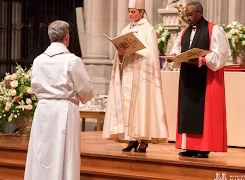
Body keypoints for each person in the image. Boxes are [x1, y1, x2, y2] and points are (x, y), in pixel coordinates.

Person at [24, 20, 93, 180]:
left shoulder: (38, 60)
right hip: (64, 110)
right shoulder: (72, 60)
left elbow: (34, 86)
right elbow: (86, 90)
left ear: (50, 37)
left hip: (43, 110)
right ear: (67, 37)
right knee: (64, 152)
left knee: (42, 152)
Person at [102, 0, 169, 153]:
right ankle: (131, 139)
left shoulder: (148, 29)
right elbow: (119, 54)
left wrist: (137, 50)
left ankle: (143, 141)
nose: (130, 14)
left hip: (142, 76)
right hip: (127, 72)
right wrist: (120, 53)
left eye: (133, 12)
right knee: (126, 107)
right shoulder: (125, 29)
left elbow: (152, 54)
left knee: (142, 107)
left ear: (141, 12)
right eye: (129, 11)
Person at [169, 1, 231, 158]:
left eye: (191, 14)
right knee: (187, 112)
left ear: (200, 13)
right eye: (186, 15)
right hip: (188, 77)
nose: (188, 18)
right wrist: (174, 57)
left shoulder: (214, 30)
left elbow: (221, 55)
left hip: (206, 78)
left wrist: (202, 60)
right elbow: (176, 49)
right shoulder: (184, 32)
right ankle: (189, 146)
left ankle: (204, 148)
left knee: (204, 113)